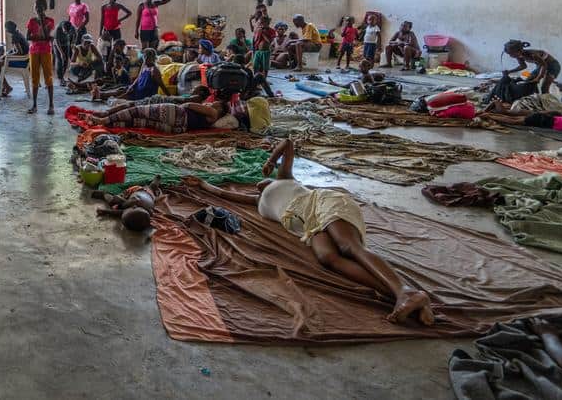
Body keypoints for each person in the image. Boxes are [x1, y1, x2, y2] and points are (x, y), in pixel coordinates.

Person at [180, 139, 436, 326]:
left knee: (349, 247)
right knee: (328, 258)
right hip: (307, 225)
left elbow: (288, 144)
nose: (257, 184)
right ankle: (405, 297)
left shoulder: (284, 178)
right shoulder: (258, 202)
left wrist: (271, 161)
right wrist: (202, 184)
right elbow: (224, 195)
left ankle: (404, 291)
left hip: (322, 202)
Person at [85, 95, 228, 134]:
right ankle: (108, 122)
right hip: (178, 128)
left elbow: (189, 105)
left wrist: (178, 106)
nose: (213, 102)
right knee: (138, 122)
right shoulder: (211, 120)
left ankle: (103, 120)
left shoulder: (214, 112)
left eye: (216, 102)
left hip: (178, 114)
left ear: (221, 108)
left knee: (137, 112)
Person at [92, 175, 162, 232]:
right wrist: (121, 206)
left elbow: (121, 213)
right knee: (115, 202)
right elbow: (120, 211)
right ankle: (104, 194)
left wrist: (105, 212)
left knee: (153, 186)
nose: (122, 213)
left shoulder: (147, 212)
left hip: (149, 194)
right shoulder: (134, 201)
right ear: (134, 207)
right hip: (135, 190)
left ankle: (157, 179)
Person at [91, 48, 164, 102]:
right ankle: (100, 94)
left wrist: (170, 97)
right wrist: (132, 86)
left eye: (147, 58)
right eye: (144, 57)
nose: (145, 59)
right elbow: (138, 78)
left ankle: (102, 96)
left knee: (123, 96)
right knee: (121, 90)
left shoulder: (154, 70)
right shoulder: (144, 65)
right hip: (137, 88)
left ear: (152, 58)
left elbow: (162, 85)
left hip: (144, 94)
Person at [26, 0, 56, 115]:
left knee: (48, 76)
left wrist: (42, 23)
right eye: (36, 6)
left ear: (45, 8)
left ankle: (51, 105)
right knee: (34, 77)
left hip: (46, 51)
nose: (38, 9)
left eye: (40, 7)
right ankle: (34, 105)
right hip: (34, 51)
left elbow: (49, 36)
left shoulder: (50, 21)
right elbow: (28, 37)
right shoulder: (31, 21)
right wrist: (42, 37)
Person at [0, 20, 30, 97]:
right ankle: (5, 87)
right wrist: (7, 54)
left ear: (9, 29)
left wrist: (6, 56)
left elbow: (19, 52)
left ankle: (7, 87)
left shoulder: (15, 36)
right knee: (0, 61)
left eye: (6, 28)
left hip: (22, 61)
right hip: (25, 59)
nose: (6, 30)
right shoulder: (18, 33)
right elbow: (16, 50)